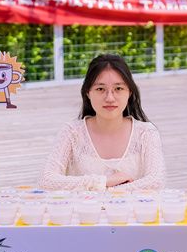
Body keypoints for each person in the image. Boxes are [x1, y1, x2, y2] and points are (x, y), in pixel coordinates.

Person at [39, 54, 165, 191]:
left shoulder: (146, 133)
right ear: (88, 92)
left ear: (129, 92)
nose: (110, 98)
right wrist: (104, 181)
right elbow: (47, 180)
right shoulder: (72, 132)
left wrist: (110, 191)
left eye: (118, 88)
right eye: (100, 89)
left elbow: (156, 181)